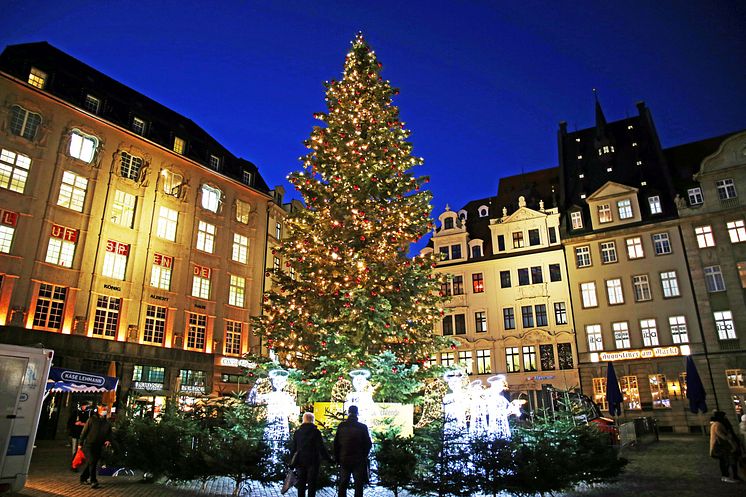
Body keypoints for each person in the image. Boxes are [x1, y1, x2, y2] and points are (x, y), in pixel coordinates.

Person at [290, 412, 333, 497]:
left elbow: (293, 448)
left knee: (301, 485)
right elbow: (321, 447)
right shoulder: (316, 432)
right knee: (312, 485)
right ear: (312, 420)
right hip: (313, 461)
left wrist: (291, 461)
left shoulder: (297, 432)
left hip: (300, 461)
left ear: (303, 420)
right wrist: (329, 459)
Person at [334, 405, 371, 497]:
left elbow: (336, 443)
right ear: (357, 414)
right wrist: (364, 455)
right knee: (358, 485)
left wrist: (337, 458)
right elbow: (368, 444)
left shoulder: (341, 426)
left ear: (348, 413)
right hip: (358, 459)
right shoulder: (363, 427)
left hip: (344, 458)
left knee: (343, 484)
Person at [79, 404, 112, 489]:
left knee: (92, 462)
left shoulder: (107, 422)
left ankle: (83, 477)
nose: (105, 410)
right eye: (103, 409)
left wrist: (108, 440)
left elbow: (109, 433)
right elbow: (84, 432)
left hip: (99, 445)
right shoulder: (92, 420)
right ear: (99, 410)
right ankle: (93, 480)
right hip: (89, 444)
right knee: (92, 460)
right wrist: (80, 443)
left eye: (106, 409)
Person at [710, 410, 740, 483]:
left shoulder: (716, 424)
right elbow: (722, 436)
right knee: (725, 461)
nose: (726, 417)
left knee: (724, 461)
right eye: (724, 416)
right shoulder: (718, 424)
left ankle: (725, 476)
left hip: (720, 446)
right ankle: (726, 476)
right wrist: (728, 437)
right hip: (721, 447)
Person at [68, 401, 91, 468]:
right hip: (75, 433)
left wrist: (82, 424)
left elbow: (89, 424)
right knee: (74, 449)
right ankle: (74, 462)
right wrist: (75, 423)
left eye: (86, 406)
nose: (85, 407)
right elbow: (70, 422)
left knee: (80, 448)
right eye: (84, 406)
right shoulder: (76, 412)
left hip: (83, 434)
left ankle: (77, 461)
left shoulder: (89, 413)